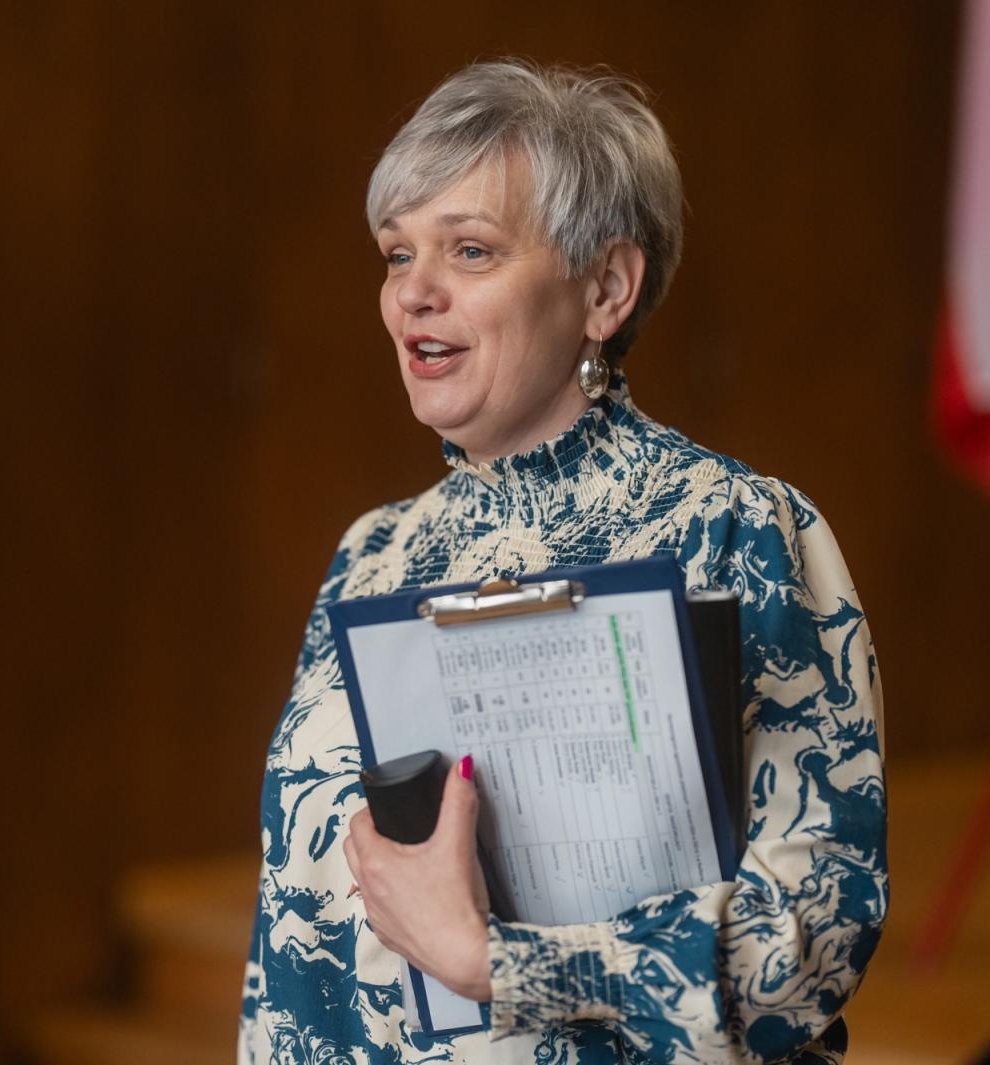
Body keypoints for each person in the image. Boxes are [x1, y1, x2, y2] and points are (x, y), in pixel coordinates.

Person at [239, 59, 887, 1064]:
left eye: (468, 250)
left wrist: (497, 963)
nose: (414, 292)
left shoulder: (733, 529)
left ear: (604, 289)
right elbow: (290, 953)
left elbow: (814, 937)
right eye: (395, 253)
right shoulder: (368, 556)